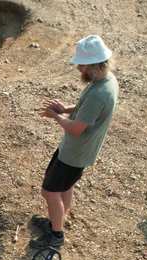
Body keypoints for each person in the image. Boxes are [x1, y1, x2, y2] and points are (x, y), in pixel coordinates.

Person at [32, 34, 119, 248]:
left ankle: (56, 235)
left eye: (81, 65)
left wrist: (56, 116)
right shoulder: (105, 80)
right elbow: (85, 111)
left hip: (74, 153)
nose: (79, 68)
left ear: (93, 65)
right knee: (65, 187)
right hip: (74, 151)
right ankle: (56, 220)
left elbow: (76, 128)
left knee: (49, 191)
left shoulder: (99, 93)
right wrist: (65, 109)